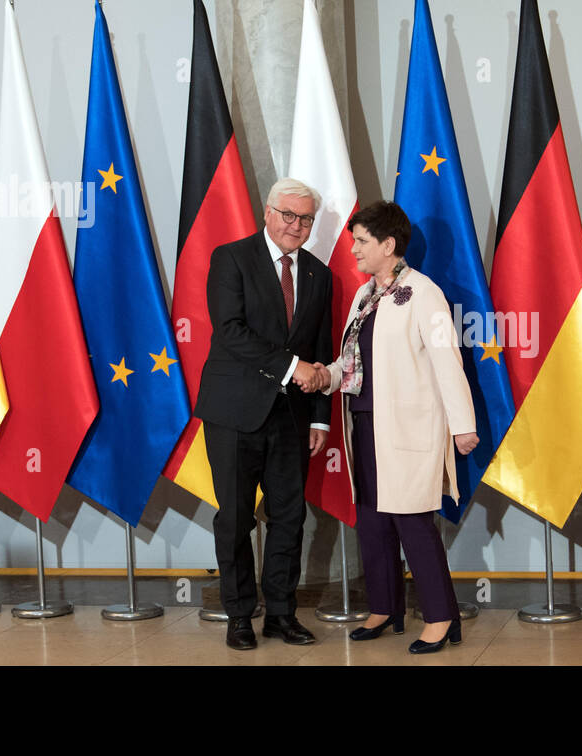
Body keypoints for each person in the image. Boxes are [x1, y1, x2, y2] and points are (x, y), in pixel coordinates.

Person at [297, 201, 478, 654]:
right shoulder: (364, 296)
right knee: (373, 521)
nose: (353, 248)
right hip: (364, 424)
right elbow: (352, 364)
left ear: (389, 245)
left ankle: (441, 617)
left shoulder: (424, 293)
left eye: (361, 240)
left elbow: (447, 362)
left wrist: (463, 426)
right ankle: (385, 607)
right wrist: (326, 375)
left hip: (409, 428)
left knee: (413, 522)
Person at [195, 178, 333, 650]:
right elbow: (230, 330)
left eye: (307, 219)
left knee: (289, 518)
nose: (297, 226)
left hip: (293, 418)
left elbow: (320, 349)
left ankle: (280, 613)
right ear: (268, 213)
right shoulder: (231, 258)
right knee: (235, 519)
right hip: (234, 413)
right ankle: (238, 615)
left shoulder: (318, 273)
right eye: (289, 215)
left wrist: (320, 417)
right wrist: (293, 368)